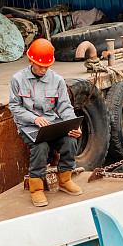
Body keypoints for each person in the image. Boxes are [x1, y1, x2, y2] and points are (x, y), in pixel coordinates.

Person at [9, 38, 83, 207]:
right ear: (30, 61)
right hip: (27, 126)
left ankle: (65, 180)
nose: (43, 70)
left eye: (47, 66)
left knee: (70, 140)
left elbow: (65, 106)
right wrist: (34, 118)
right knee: (40, 146)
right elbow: (14, 106)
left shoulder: (57, 80)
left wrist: (73, 126)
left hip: (52, 124)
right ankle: (36, 189)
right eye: (40, 66)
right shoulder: (17, 79)